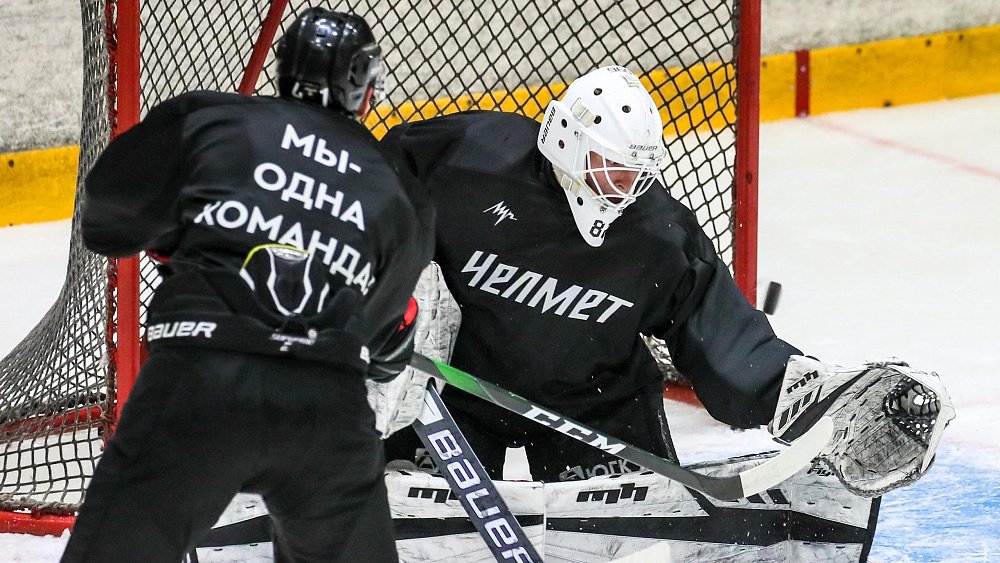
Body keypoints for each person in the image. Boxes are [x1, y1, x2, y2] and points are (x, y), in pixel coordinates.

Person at [377, 66, 953, 495]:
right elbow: (375, 188)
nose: (628, 186)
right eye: (614, 167)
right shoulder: (468, 162)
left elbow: (724, 340)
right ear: (568, 144)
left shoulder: (655, 233)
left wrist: (813, 400)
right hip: (451, 395)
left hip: (594, 409)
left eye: (637, 171)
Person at [61, 9, 432, 563]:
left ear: (283, 69)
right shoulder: (400, 187)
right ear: (366, 89)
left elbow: (106, 220)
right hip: (327, 413)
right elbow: (380, 341)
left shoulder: (208, 120)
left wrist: (183, 235)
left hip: (199, 384)